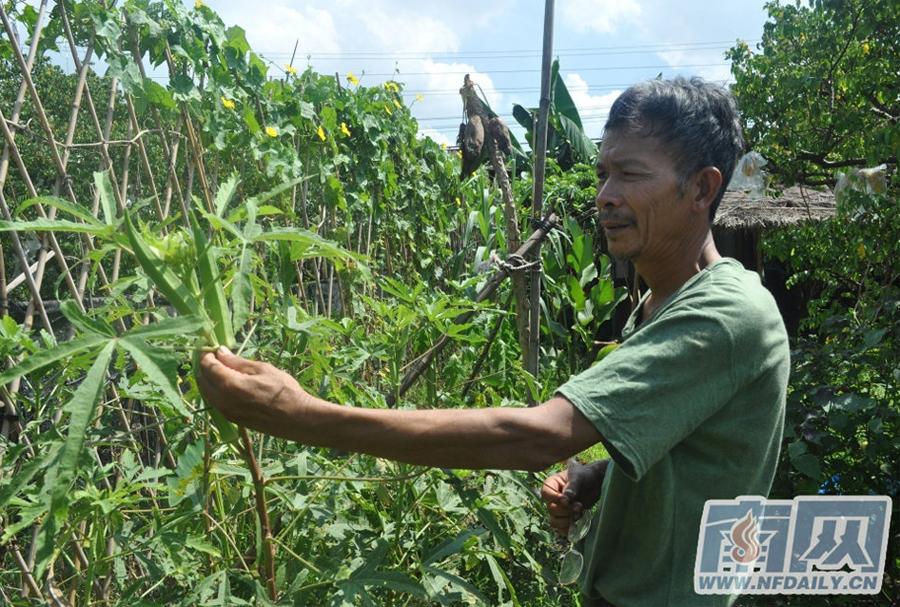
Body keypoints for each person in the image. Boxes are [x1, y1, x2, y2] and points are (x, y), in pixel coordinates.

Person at [198, 76, 790, 607]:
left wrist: (304, 417)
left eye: (631, 173)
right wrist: (599, 475)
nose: (605, 193)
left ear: (702, 188)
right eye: (604, 172)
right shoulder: (662, 301)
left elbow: (537, 436)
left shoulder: (726, 315)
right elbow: (688, 447)